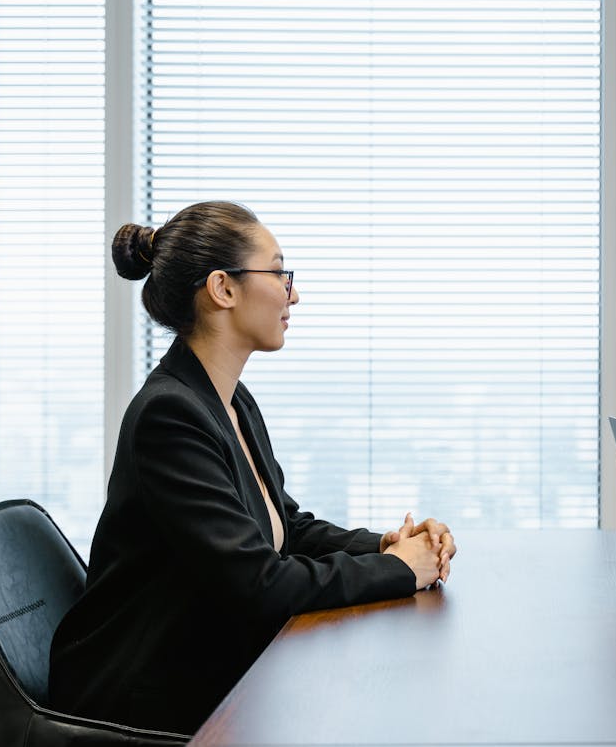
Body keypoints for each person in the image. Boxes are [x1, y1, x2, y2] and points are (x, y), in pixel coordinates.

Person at [49, 201, 457, 733]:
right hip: (141, 695)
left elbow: (286, 528)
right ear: (223, 289)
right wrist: (402, 569)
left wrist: (383, 545)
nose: (294, 292)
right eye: (280, 272)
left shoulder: (230, 400)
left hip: (206, 667)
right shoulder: (169, 416)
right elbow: (260, 584)